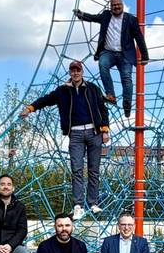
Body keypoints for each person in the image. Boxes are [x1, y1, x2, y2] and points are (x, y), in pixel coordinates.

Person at [20, 61, 110, 220]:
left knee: (94, 169)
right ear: (70, 73)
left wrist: (104, 130)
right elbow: (46, 100)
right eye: (73, 70)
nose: (75, 73)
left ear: (82, 72)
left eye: (78, 70)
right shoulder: (62, 91)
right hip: (75, 133)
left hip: (94, 131)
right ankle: (78, 205)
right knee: (76, 169)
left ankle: (93, 202)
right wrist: (30, 108)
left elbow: (103, 109)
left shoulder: (92, 88)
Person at [73, 0, 150, 117]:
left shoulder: (130, 20)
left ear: (122, 6)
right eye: (114, 5)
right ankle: (111, 95)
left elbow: (139, 38)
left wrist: (145, 55)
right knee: (102, 64)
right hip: (108, 52)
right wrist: (81, 14)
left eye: (118, 4)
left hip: (125, 54)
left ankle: (127, 103)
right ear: (110, 7)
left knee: (126, 78)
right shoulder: (106, 15)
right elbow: (93, 17)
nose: (116, 7)